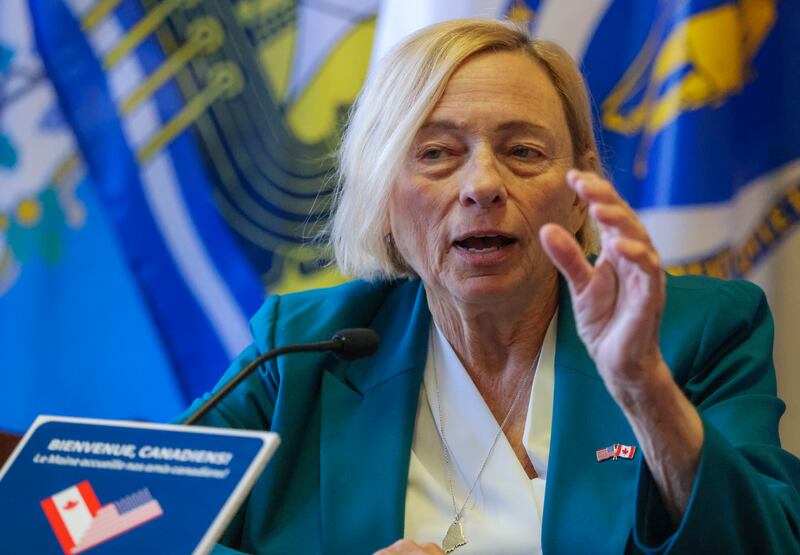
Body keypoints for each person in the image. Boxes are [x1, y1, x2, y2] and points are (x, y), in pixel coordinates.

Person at [184, 19, 800, 554]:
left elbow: (770, 543)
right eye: (437, 153)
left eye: (524, 151)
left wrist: (644, 391)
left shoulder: (702, 330)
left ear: (580, 188)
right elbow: (128, 522)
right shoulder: (301, 351)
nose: (483, 184)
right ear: (381, 191)